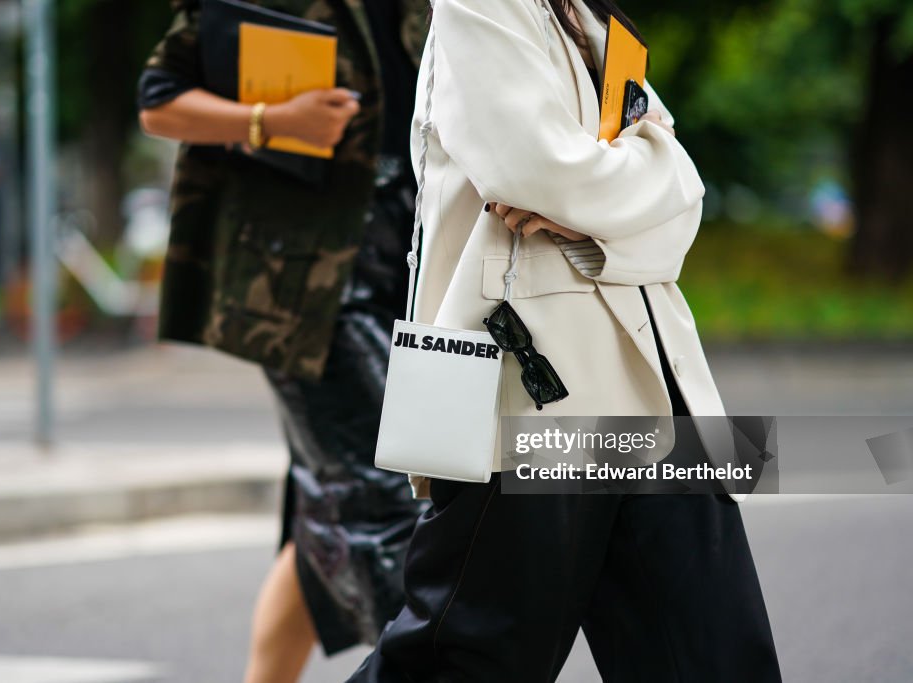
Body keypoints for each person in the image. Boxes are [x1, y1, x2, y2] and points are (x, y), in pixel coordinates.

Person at [348, 0, 782, 681]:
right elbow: (536, 168)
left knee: (716, 657)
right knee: (463, 660)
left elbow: (684, 195)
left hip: (657, 394)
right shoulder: (480, 7)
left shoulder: (591, 16)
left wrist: (593, 212)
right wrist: (626, 188)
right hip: (531, 389)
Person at [136, 2, 429, 682]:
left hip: (413, 269)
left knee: (324, 518)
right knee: (399, 496)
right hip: (307, 289)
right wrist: (272, 122)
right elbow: (159, 101)